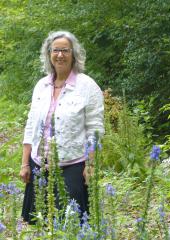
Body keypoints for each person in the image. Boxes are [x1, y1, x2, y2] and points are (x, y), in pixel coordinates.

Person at [19, 30, 104, 224]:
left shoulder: (88, 86)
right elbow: (31, 126)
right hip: (39, 165)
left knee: (72, 225)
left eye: (65, 50)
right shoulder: (41, 86)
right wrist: (25, 163)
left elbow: (95, 129)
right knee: (39, 224)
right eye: (55, 50)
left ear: (74, 54)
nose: (60, 55)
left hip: (72, 166)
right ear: (49, 54)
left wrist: (90, 165)